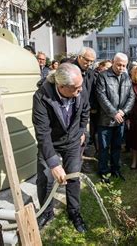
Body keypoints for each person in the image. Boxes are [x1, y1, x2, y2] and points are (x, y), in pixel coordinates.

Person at [32, 63, 89, 233]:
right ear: (61, 86)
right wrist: (54, 163)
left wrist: (81, 131)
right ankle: (46, 213)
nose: (81, 90)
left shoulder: (79, 88)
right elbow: (42, 133)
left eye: (81, 86)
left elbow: (85, 111)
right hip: (51, 142)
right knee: (45, 178)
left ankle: (74, 212)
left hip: (72, 141)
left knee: (73, 177)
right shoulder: (41, 97)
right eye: (76, 88)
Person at [96, 53, 135, 182]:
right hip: (106, 121)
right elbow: (101, 97)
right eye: (119, 64)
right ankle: (103, 172)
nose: (121, 68)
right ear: (113, 62)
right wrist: (114, 113)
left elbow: (131, 96)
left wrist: (123, 111)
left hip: (120, 121)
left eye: (124, 65)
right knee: (104, 148)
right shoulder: (103, 76)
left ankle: (115, 169)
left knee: (117, 147)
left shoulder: (126, 77)